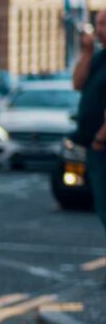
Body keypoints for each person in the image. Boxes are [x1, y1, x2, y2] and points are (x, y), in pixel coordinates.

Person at [72, 13, 106, 232]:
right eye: (97, 24)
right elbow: (77, 83)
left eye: (104, 24)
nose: (98, 29)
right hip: (96, 146)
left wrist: (100, 139)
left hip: (102, 145)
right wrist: (86, 52)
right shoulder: (99, 57)